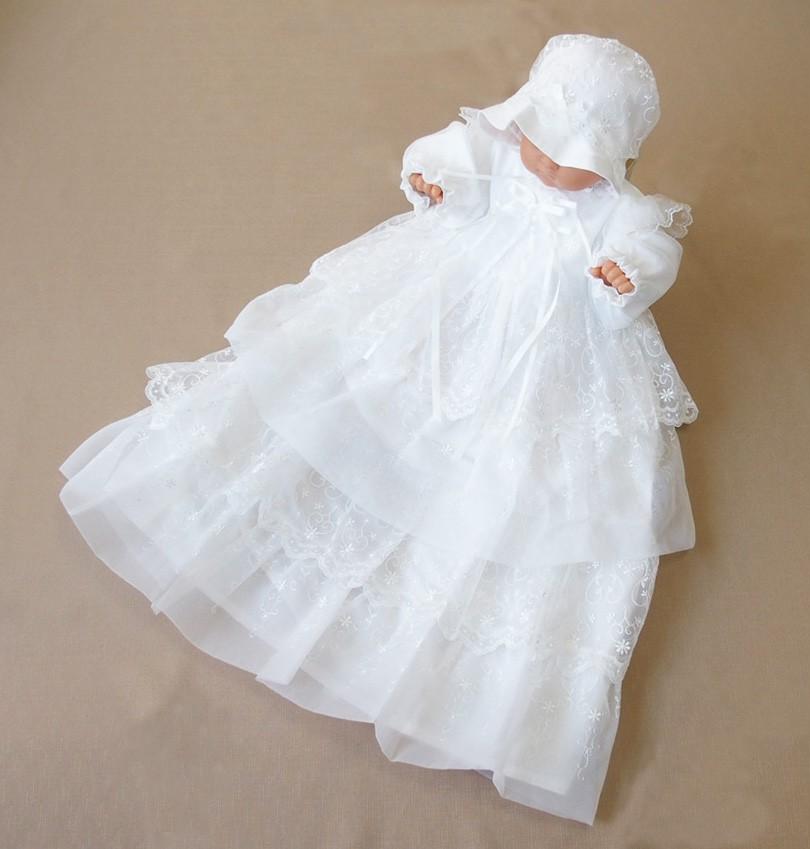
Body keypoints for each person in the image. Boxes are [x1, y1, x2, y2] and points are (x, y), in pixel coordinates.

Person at [58, 33, 698, 825]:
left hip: (546, 360)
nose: (541, 158)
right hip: (441, 312)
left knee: (518, 489)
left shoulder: (619, 210)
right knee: (353, 395)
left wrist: (625, 272)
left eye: (569, 154)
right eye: (535, 135)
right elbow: (449, 154)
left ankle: (456, 682)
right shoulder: (500, 153)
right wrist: (433, 177)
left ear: (612, 158)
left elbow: (650, 245)